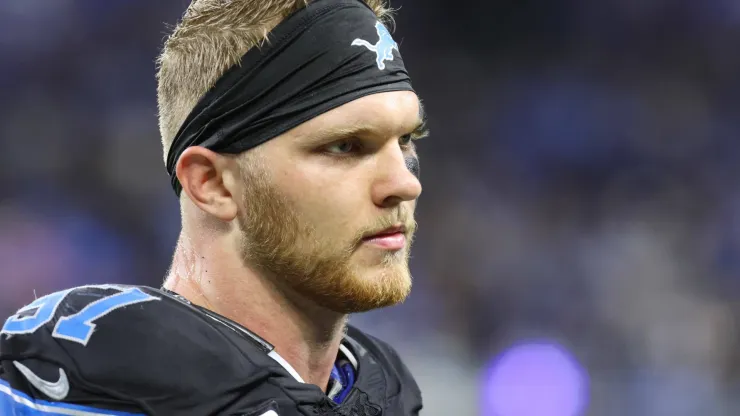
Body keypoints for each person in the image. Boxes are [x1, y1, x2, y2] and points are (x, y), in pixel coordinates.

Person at [0, 0, 428, 414]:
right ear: (212, 183)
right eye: (345, 146)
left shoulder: (375, 388)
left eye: (406, 139)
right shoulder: (95, 384)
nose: (404, 183)